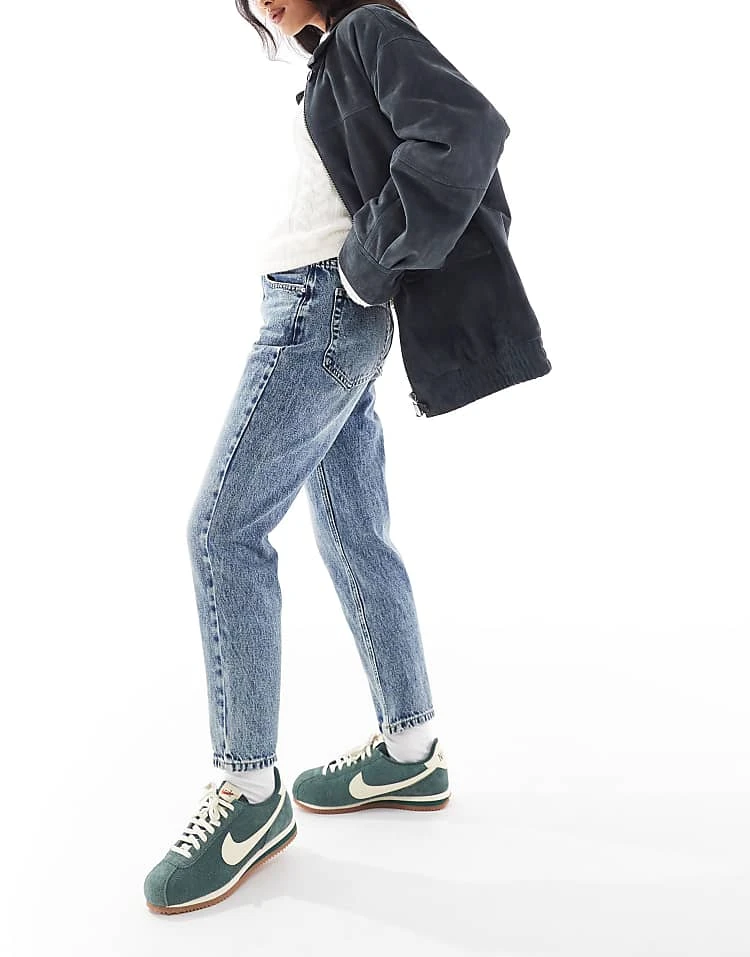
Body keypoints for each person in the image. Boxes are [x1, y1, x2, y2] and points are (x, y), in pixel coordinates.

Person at [143, 1, 453, 916]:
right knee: (355, 533)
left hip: (320, 309)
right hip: (323, 307)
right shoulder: (334, 58)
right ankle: (411, 750)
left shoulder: (367, 30)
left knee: (222, 532)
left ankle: (248, 793)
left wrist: (364, 268)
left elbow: (461, 131)